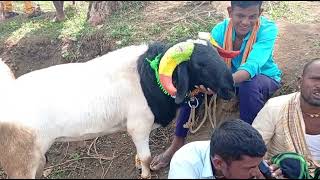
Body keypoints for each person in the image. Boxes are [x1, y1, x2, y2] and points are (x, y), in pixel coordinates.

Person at [150, 1, 282, 171]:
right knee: (193, 83)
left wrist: (221, 82)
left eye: (252, 16)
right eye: (240, 16)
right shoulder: (219, 30)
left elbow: (253, 66)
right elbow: (211, 63)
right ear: (229, 11)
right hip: (228, 77)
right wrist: (206, 82)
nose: (245, 22)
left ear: (260, 12)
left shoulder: (268, 30)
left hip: (262, 77)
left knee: (249, 85)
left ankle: (249, 141)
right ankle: (178, 142)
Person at [252, 59, 320, 176]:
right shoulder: (275, 107)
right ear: (300, 82)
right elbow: (251, 149)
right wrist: (268, 170)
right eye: (315, 79)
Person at [168, 119, 284, 179]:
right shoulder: (185, 165)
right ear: (218, 163)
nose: (255, 172)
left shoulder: (245, 158)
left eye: (257, 165)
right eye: (250, 168)